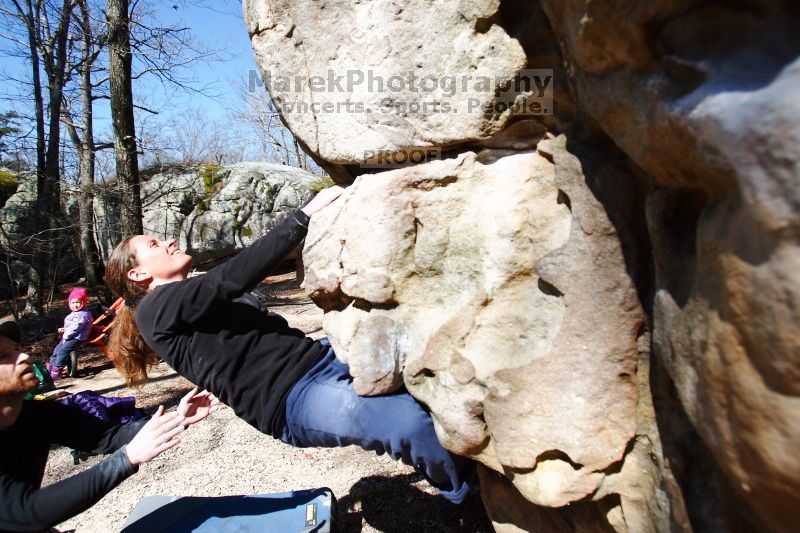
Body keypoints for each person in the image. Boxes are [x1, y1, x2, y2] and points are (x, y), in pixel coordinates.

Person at [104, 185, 472, 504]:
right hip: (292, 400)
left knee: (425, 359)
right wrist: (302, 217)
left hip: (320, 357)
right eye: (154, 244)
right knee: (407, 422)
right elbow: (229, 278)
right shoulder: (153, 308)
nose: (168, 241)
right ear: (138, 274)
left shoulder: (187, 298)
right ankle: (467, 493)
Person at [0, 319, 218, 532]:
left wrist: (176, 418)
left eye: (18, 348)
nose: (25, 356)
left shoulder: (38, 414)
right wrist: (126, 458)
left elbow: (105, 436)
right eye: (4, 356)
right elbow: (24, 512)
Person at [47, 288, 93, 380]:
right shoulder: (76, 313)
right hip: (71, 335)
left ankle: (56, 371)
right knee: (56, 350)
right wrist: (65, 329)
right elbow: (72, 326)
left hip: (77, 337)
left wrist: (66, 335)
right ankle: (50, 369)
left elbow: (76, 327)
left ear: (83, 303)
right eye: (73, 302)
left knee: (62, 352)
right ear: (69, 303)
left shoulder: (82, 314)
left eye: (78, 302)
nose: (75, 305)